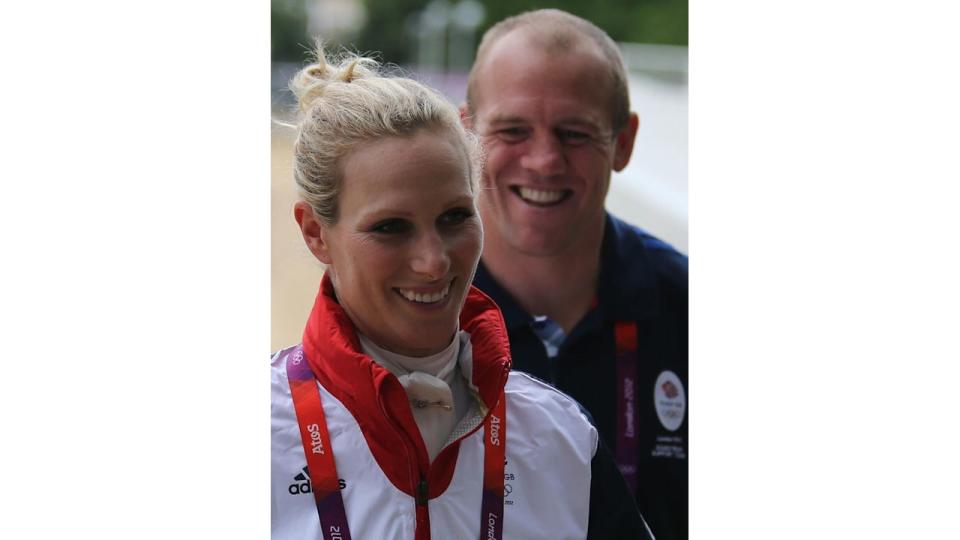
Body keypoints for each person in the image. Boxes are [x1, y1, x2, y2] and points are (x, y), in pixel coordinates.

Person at [271, 44, 651, 539]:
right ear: (316, 233)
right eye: (390, 228)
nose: (434, 262)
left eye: (455, 217)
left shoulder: (563, 438)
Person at [460, 9, 689, 540]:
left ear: (624, 143)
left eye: (575, 133)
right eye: (513, 130)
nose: (543, 160)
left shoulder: (689, 308)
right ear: (467, 135)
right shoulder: (409, 316)